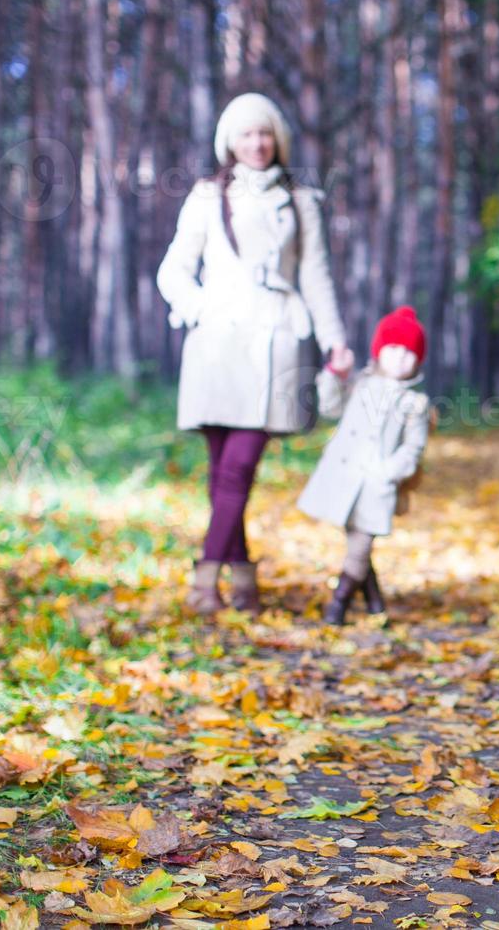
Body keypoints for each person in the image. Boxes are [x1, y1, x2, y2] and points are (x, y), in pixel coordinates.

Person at [156, 92, 351, 615]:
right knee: (221, 472)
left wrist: (335, 341)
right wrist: (199, 308)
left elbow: (316, 276)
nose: (256, 142)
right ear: (229, 141)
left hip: (276, 342)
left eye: (264, 133)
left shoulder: (301, 200)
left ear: (277, 138)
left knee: (239, 468)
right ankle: (242, 580)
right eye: (246, 133)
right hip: (216, 346)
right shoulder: (205, 196)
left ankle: (204, 579)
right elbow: (174, 269)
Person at [296, 306, 433, 625]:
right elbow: (330, 407)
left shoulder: (415, 404)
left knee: (360, 544)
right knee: (356, 542)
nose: (400, 357)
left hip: (376, 483)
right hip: (344, 477)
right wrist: (333, 375)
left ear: (418, 360)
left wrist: (389, 473)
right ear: (379, 351)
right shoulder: (359, 385)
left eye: (409, 352)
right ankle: (375, 603)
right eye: (394, 348)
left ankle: (338, 605)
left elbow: (413, 447)